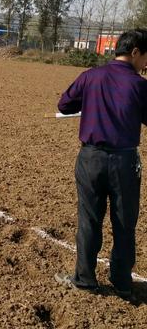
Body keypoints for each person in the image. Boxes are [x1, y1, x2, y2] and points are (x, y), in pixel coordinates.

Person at [55, 29, 147, 299]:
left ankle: (85, 278)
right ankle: (121, 282)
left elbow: (64, 105)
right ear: (134, 53)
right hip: (125, 161)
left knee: (89, 219)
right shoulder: (140, 85)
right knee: (124, 220)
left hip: (90, 158)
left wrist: (90, 102)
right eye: (146, 58)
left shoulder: (90, 76)